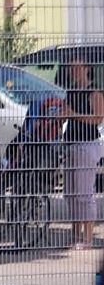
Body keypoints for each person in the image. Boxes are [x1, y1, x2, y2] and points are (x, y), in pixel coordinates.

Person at [57, 56, 104, 249]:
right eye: (71, 68)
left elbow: (98, 118)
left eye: (77, 68)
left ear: (87, 69)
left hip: (86, 145)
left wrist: (74, 115)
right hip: (70, 145)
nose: (73, 71)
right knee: (71, 194)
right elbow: (65, 114)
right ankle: (76, 236)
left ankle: (88, 239)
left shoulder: (94, 92)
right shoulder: (71, 92)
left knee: (84, 194)